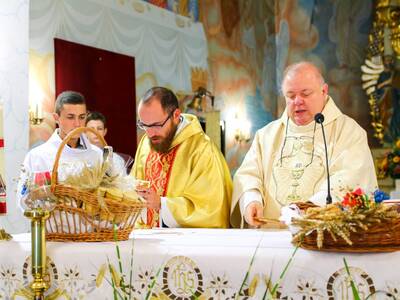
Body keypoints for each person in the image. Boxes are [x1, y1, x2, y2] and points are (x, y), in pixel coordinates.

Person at [231, 61, 378, 228]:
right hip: (269, 238)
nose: (297, 101)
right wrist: (251, 200)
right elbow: (248, 175)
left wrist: (305, 210)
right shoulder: (266, 136)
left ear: (324, 91)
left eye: (306, 93)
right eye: (291, 95)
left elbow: (350, 180)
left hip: (323, 241)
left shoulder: (349, 131)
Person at [131, 87, 232, 228]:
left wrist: (162, 204)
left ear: (176, 115)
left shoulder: (202, 150)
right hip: (147, 242)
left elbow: (210, 210)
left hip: (182, 246)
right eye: (143, 125)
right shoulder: (146, 145)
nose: (149, 133)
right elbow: (133, 188)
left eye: (156, 125)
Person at [17, 91, 102, 201]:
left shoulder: (97, 154)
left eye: (82, 117)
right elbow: (23, 198)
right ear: (56, 118)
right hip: (53, 217)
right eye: (70, 117)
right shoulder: (37, 156)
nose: (77, 124)